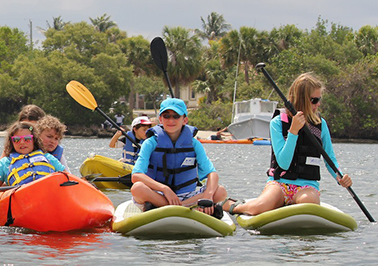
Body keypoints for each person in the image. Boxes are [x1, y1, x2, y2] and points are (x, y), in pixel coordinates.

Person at [222, 73, 352, 216]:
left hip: (307, 186)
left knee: (308, 204)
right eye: (314, 100)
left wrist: (340, 177)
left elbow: (330, 159)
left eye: (319, 99)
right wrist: (293, 132)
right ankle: (234, 206)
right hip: (279, 184)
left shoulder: (321, 125)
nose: (318, 104)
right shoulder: (277, 123)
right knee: (257, 208)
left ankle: (292, 204)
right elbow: (283, 163)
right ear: (302, 100)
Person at [130, 98, 227, 217]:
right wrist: (165, 189)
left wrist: (208, 195)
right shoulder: (150, 143)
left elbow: (212, 173)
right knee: (137, 188)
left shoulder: (194, 144)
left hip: (188, 195)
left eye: (176, 116)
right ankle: (188, 208)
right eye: (166, 116)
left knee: (220, 191)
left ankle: (170, 208)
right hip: (159, 194)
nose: (171, 120)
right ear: (160, 119)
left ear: (184, 120)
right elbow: (136, 176)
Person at [0, 121, 66, 188]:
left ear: (33, 140)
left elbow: (67, 177)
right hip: (22, 200)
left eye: (27, 139)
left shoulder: (48, 158)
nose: (22, 142)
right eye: (16, 140)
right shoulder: (5, 163)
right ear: (12, 142)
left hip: (49, 196)